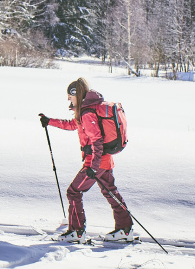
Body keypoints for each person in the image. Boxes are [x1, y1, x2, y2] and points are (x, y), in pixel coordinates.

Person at [39, 77, 133, 242]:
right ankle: (125, 229)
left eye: (70, 96)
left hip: (96, 162)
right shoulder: (88, 110)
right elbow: (72, 124)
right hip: (104, 161)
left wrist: (93, 167)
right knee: (110, 191)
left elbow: (97, 141)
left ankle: (77, 232)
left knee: (74, 192)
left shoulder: (88, 112)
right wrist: (49, 121)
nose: (68, 99)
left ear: (77, 94)